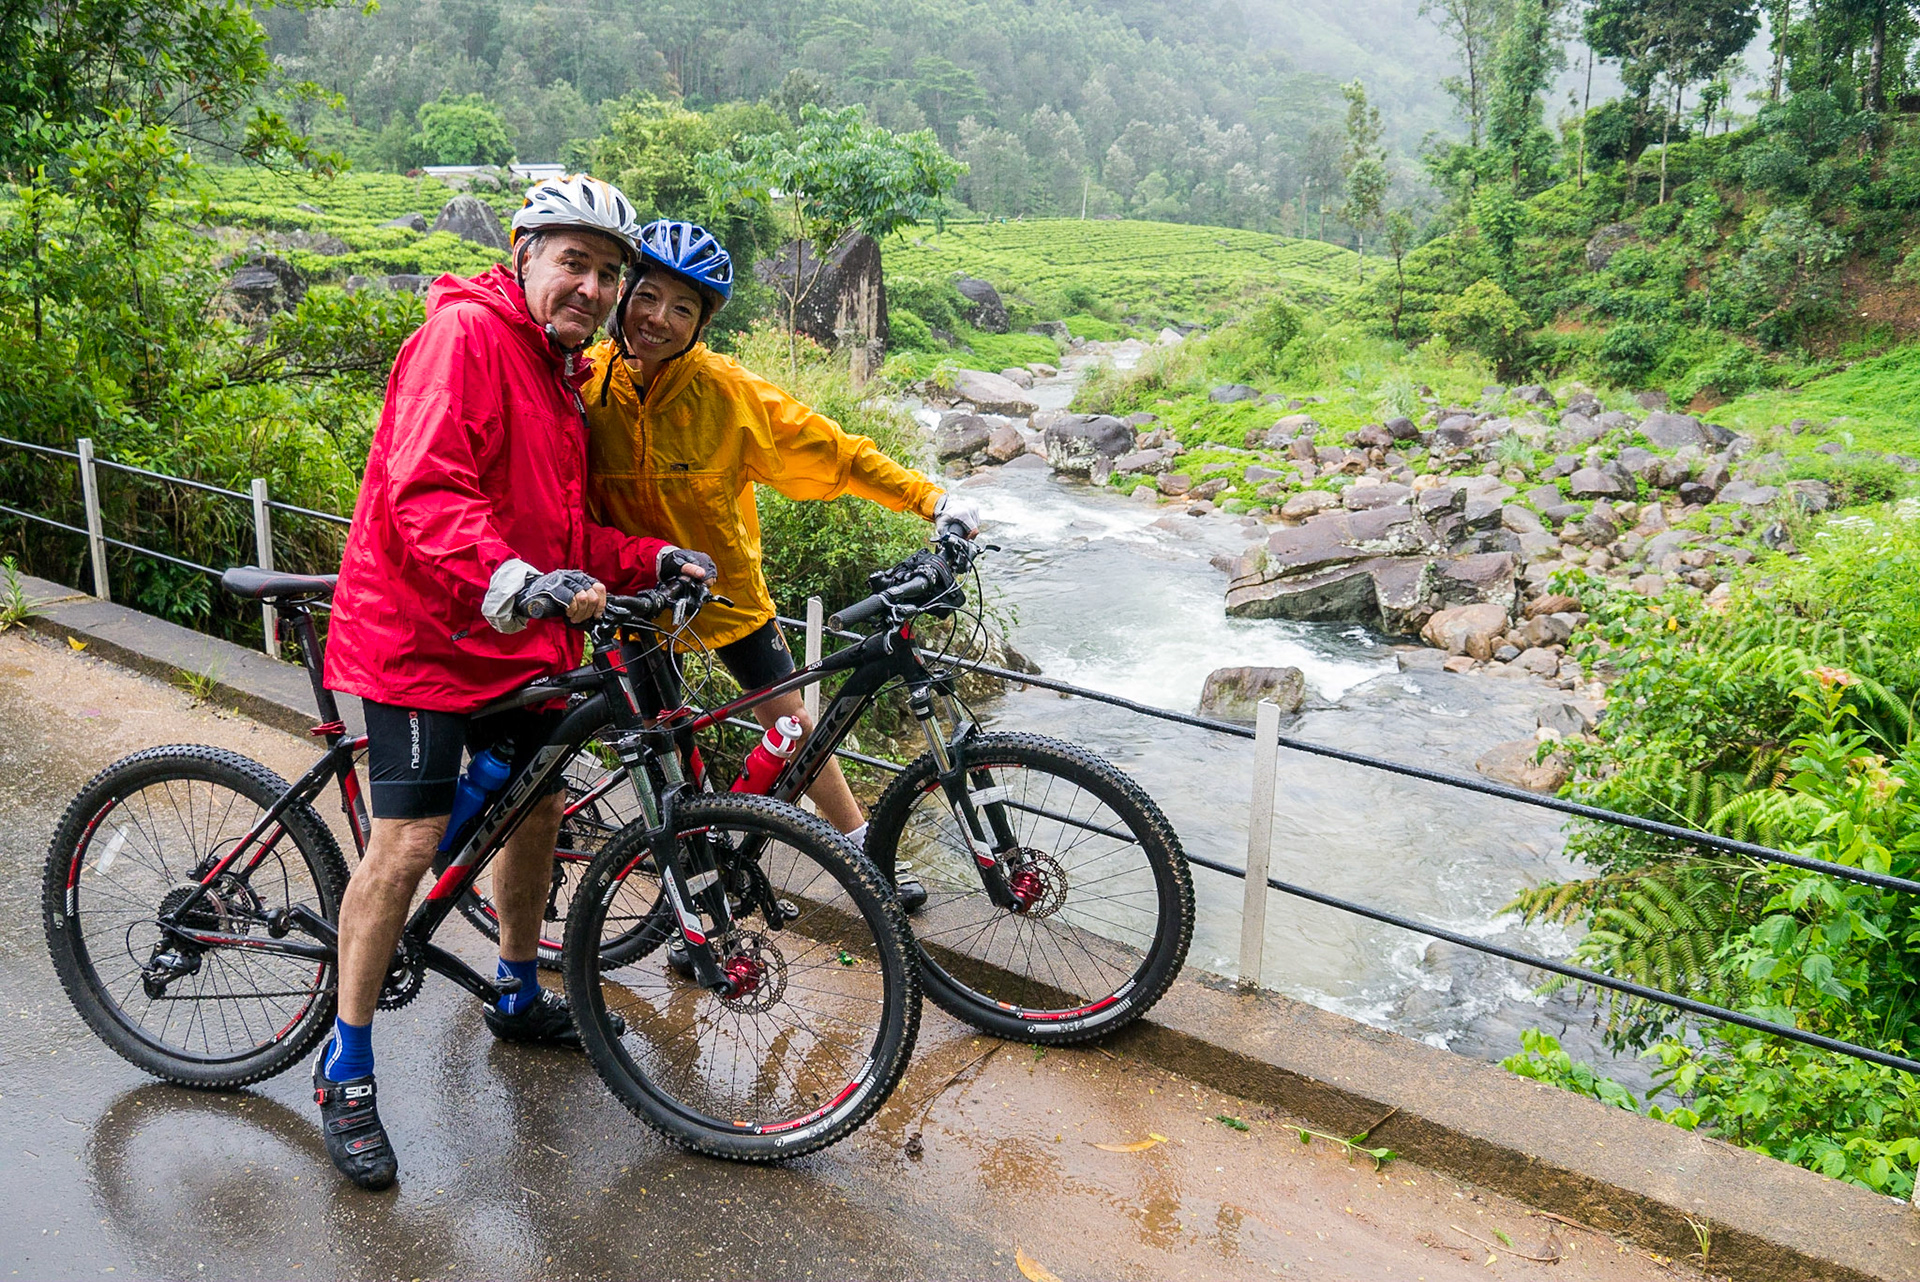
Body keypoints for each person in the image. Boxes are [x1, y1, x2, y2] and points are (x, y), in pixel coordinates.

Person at [315, 176, 714, 1192]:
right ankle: (345, 1066)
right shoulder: (465, 336)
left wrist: (648, 556)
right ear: (525, 252)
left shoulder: (555, 370)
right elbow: (425, 490)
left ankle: (514, 985)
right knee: (407, 843)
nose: (592, 287)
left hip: (506, 637)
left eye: (609, 273)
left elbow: (561, 529)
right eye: (574, 262)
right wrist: (513, 580)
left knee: (536, 802)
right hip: (419, 637)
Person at [580, 219, 978, 901]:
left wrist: (931, 499)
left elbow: (834, 450)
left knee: (793, 725)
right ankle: (697, 885)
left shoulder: (726, 392)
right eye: (648, 296)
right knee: (667, 748)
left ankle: (861, 846)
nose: (659, 319)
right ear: (624, 293)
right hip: (634, 598)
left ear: (703, 323)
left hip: (726, 592)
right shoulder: (584, 383)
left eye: (683, 309)